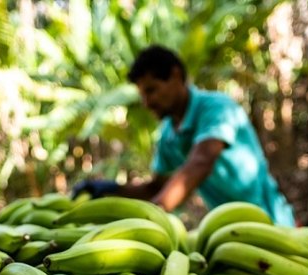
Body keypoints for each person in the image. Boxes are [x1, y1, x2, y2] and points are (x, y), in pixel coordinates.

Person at [71, 45, 296, 226]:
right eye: (142, 95)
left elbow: (201, 161)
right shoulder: (168, 134)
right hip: (232, 233)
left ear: (176, 76)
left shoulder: (216, 108)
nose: (147, 103)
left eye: (151, 90)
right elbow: (156, 187)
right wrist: (111, 190)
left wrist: (152, 216)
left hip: (272, 223)